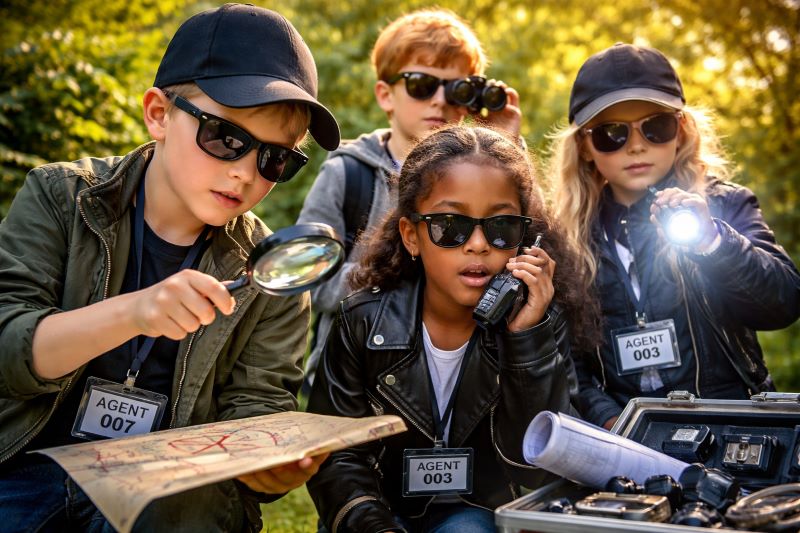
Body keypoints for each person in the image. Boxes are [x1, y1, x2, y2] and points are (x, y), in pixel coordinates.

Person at [0, 4, 340, 532]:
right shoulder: (59, 197)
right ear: (158, 114)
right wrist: (134, 312)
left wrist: (269, 461)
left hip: (167, 489)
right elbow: (7, 353)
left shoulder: (272, 271)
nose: (245, 173)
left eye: (276, 159)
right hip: (28, 464)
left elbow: (257, 404)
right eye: (226, 138)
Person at [307, 125, 597, 532]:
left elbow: (541, 468)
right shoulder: (362, 321)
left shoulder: (539, 324)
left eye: (501, 228)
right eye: (451, 225)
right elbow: (337, 457)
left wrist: (526, 340)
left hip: (481, 514)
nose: (478, 244)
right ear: (411, 236)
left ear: (524, 240)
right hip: (378, 512)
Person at [548, 42, 800, 430]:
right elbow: (566, 356)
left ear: (681, 130)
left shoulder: (725, 206)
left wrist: (712, 241)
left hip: (734, 430)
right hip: (627, 441)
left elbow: (782, 303)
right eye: (611, 133)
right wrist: (614, 422)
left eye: (656, 126)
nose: (636, 145)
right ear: (583, 146)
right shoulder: (567, 234)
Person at [296, 9, 524, 390]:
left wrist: (506, 148)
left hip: (461, 375)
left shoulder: (483, 173)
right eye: (420, 85)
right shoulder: (347, 173)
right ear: (385, 95)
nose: (439, 101)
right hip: (361, 373)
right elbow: (312, 281)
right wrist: (407, 270)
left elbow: (524, 249)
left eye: (456, 89)